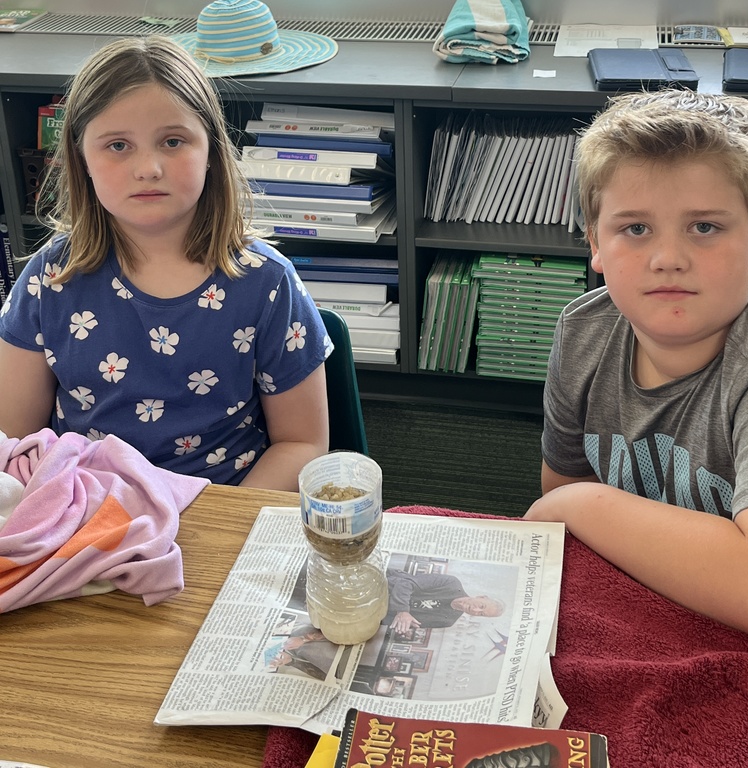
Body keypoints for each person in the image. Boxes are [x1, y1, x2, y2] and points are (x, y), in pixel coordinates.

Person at [0, 36, 330, 489]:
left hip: (219, 507)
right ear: (82, 161)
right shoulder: (49, 278)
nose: (148, 168)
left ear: (212, 152)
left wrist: (216, 526)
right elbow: (14, 440)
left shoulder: (268, 283)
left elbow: (302, 444)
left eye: (173, 141)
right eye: (118, 146)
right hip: (83, 511)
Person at [524, 89, 748, 640]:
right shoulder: (585, 329)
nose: (667, 259)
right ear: (596, 244)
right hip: (638, 600)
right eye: (635, 229)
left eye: (704, 227)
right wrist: (573, 501)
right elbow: (561, 486)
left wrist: (582, 504)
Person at [384, 569, 505, 633]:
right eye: (481, 606)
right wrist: (402, 610)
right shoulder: (451, 583)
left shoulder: (447, 621)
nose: (474, 610)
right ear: (481, 597)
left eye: (481, 613)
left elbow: (397, 622)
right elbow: (406, 583)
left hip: (379, 611)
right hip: (384, 587)